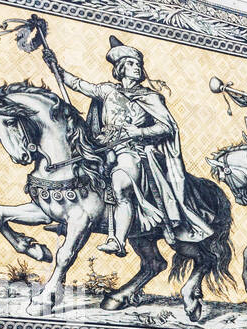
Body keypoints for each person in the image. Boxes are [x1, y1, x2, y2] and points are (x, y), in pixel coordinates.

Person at [43, 36, 211, 257]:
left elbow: (167, 127)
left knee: (120, 183)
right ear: (120, 67)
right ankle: (66, 219)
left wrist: (139, 132)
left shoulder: (150, 97)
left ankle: (118, 241)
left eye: (138, 65)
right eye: (132, 64)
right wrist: (54, 65)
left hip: (131, 151)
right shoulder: (107, 91)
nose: (137, 68)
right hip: (101, 148)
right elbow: (76, 84)